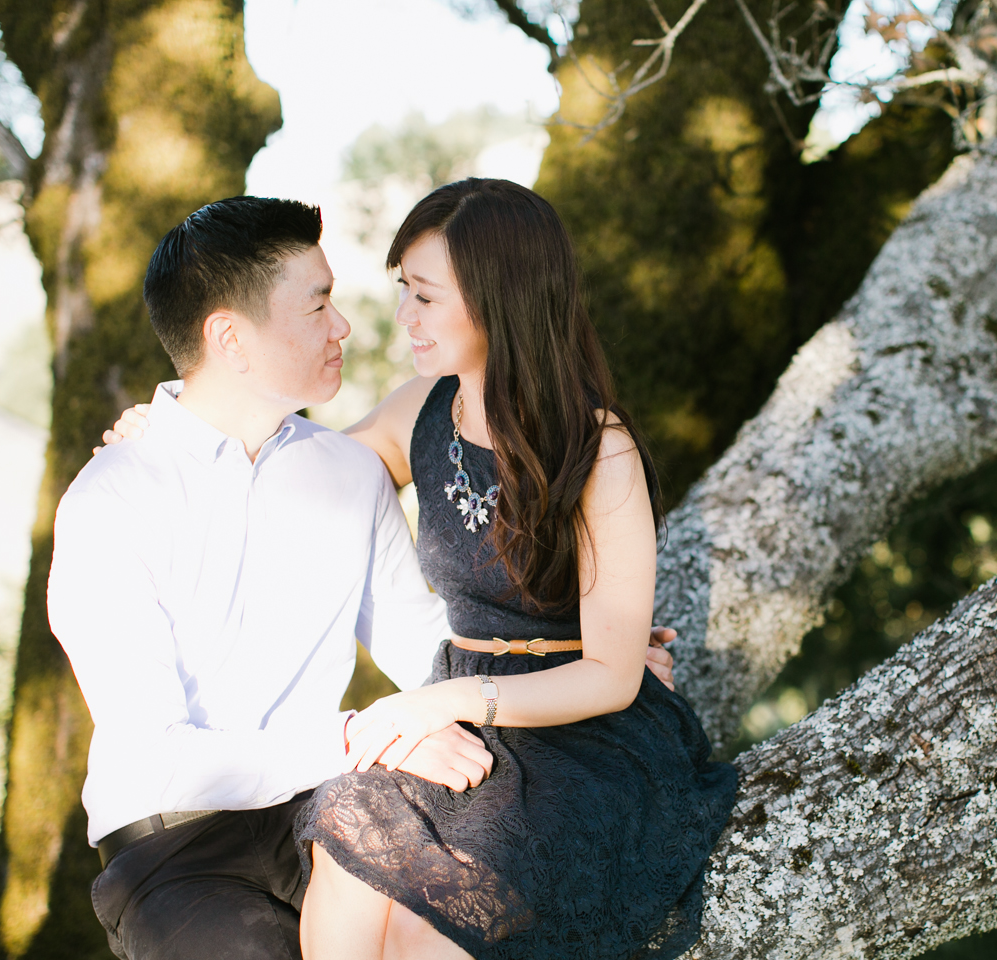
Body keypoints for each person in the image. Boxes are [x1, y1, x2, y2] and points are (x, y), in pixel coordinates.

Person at [57, 196, 678, 960]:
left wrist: (580, 656)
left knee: (461, 918)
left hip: (319, 803)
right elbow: (160, 759)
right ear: (230, 338)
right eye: (319, 304)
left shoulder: (348, 470)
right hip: (179, 844)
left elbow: (429, 643)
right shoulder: (114, 498)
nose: (346, 325)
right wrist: (358, 737)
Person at [292, 178, 738, 960]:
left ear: (500, 300)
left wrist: (441, 701)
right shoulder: (421, 411)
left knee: (436, 931)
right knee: (345, 848)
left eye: (425, 298)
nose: (403, 318)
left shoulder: (601, 451)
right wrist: (173, 425)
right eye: (406, 292)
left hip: (582, 736)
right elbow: (291, 479)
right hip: (461, 718)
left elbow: (610, 675)